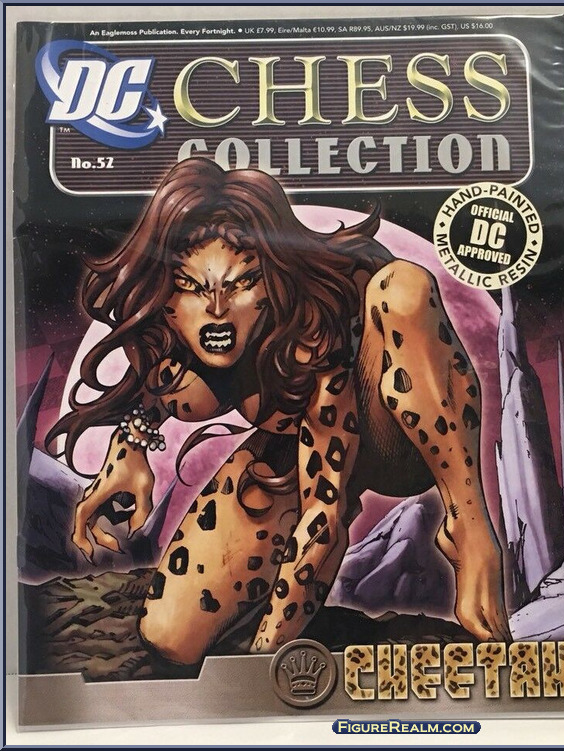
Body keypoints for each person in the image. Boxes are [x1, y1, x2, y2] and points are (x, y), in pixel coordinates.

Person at [47, 157, 510, 667]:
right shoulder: (178, 346)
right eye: (193, 287)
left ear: (271, 279)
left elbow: (323, 520)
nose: (216, 310)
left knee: (401, 288)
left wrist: (265, 661)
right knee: (169, 634)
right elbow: (153, 396)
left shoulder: (311, 335)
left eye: (241, 283)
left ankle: (468, 526)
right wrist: (130, 451)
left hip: (396, 433)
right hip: (295, 445)